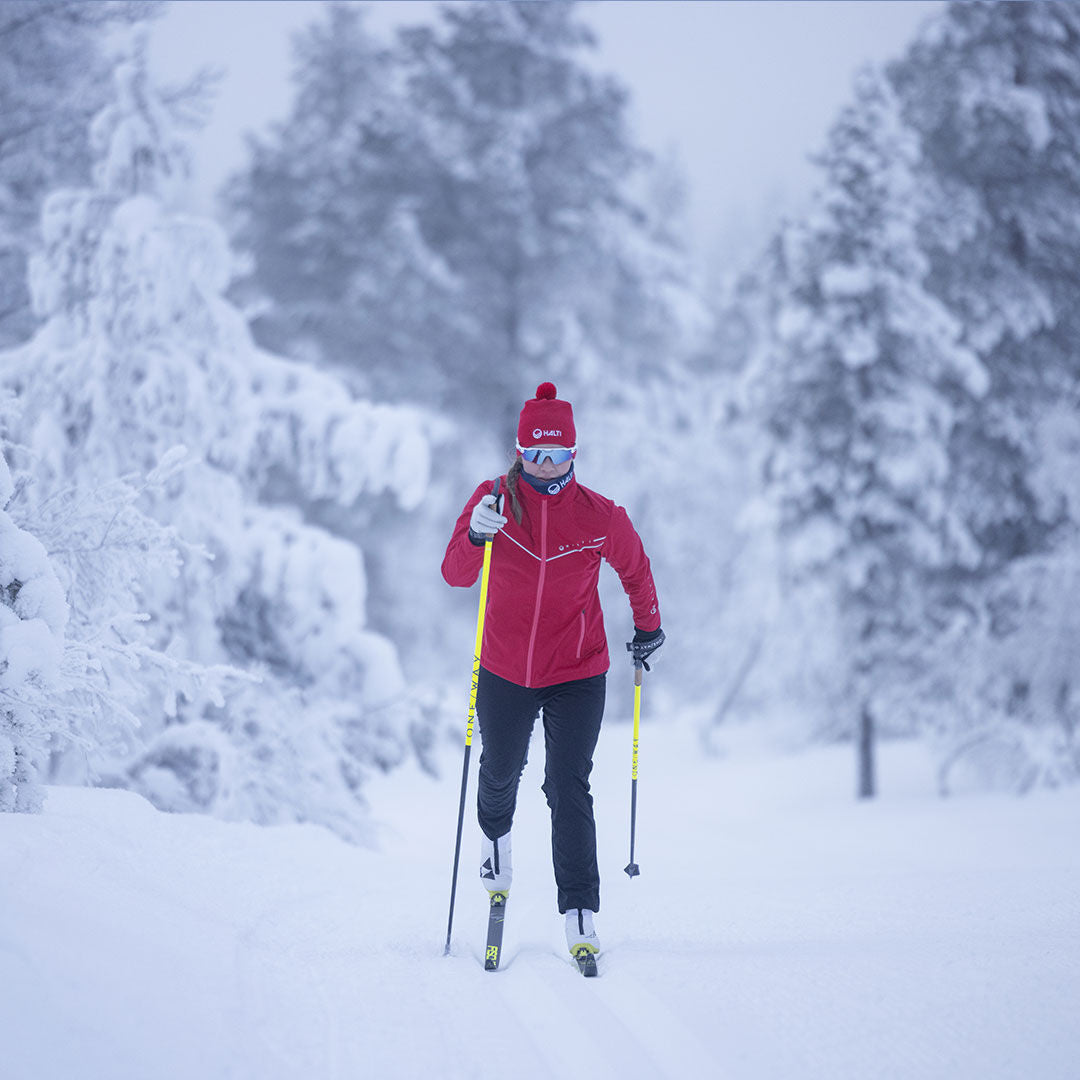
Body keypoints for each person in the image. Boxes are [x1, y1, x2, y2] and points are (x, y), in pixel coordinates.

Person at [440, 382, 664, 962]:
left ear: (573, 454)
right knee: (500, 770)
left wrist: (648, 627)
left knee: (567, 784)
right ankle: (495, 840)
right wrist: (475, 534)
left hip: (577, 669)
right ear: (520, 452)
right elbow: (455, 574)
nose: (546, 464)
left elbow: (635, 569)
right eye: (535, 453)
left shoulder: (599, 515)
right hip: (505, 667)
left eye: (557, 453)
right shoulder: (493, 501)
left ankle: (580, 909)